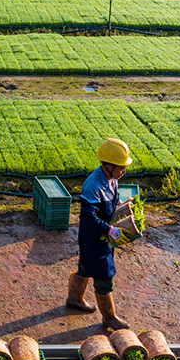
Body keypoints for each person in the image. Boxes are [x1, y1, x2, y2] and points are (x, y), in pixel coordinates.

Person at [67, 138, 131, 330]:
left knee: (86, 266)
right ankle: (109, 318)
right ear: (108, 165)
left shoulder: (111, 179)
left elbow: (114, 198)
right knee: (104, 274)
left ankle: (74, 298)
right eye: (121, 167)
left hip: (100, 236)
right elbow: (88, 218)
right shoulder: (93, 186)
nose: (124, 171)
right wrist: (109, 229)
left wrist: (120, 206)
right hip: (93, 237)